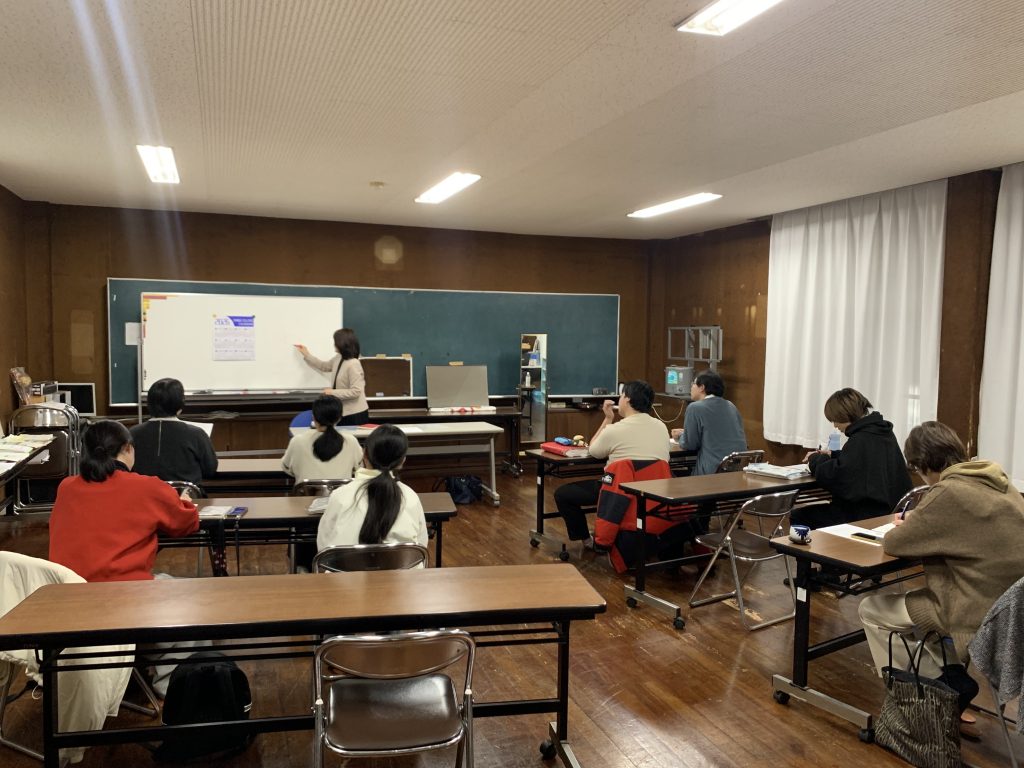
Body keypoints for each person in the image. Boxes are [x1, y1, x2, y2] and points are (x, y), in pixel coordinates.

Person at [858, 422, 1024, 715]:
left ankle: (926, 697)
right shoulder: (1001, 483)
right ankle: (949, 682)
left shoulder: (947, 491)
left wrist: (910, 525)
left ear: (923, 465)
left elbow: (894, 542)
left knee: (871, 609)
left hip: (975, 613)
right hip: (1012, 610)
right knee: (925, 627)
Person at [49, 420, 199, 695]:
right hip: (125, 602)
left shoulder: (66, 487)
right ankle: (170, 686)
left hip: (66, 604)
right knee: (191, 600)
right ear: (128, 448)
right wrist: (186, 501)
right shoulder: (148, 487)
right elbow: (186, 523)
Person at [555, 380, 669, 549]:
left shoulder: (615, 429)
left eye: (621, 396)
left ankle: (587, 540)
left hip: (618, 491)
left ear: (627, 399)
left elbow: (594, 450)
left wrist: (608, 418)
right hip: (654, 492)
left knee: (563, 495)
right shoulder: (661, 427)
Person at [790, 387, 911, 529]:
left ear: (845, 415)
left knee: (799, 515)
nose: (835, 425)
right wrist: (834, 455)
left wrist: (815, 459)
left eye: (835, 420)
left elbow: (837, 476)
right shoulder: (882, 432)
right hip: (890, 512)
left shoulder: (860, 438)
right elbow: (866, 460)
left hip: (865, 516)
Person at [316, 424, 428, 555]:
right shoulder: (410, 497)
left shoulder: (340, 495)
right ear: (402, 461)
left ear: (364, 453)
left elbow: (323, 547)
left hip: (346, 568)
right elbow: (421, 547)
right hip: (402, 568)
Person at [130, 378, 218, 486]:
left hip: (143, 494)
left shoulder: (132, 433)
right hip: (184, 495)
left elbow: (125, 469)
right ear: (180, 404)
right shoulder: (196, 434)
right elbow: (210, 470)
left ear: (149, 403)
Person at [669, 369, 747, 476]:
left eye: (693, 384)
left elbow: (689, 444)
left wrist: (680, 436)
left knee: (670, 473)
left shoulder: (695, 408)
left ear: (702, 387)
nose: (691, 387)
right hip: (737, 472)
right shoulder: (731, 406)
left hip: (712, 472)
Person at [295, 328, 369, 425]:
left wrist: (332, 392)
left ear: (342, 343)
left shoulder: (353, 363)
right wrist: (306, 354)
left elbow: (356, 391)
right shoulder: (339, 357)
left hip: (354, 414)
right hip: (342, 411)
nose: (334, 344)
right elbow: (324, 366)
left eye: (335, 342)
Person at [282, 395, 361, 483]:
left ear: (313, 417)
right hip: (342, 491)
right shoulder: (350, 441)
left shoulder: (297, 441)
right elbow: (358, 468)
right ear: (339, 418)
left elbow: (286, 467)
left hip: (306, 491)